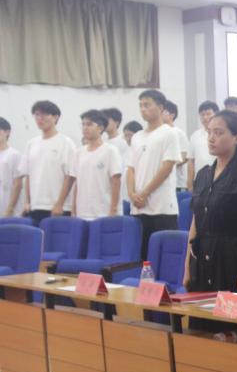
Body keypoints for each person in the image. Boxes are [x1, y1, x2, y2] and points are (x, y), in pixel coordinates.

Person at [183, 110, 237, 295]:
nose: (211, 138)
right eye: (209, 132)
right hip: (201, 260)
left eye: (219, 133)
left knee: (228, 311)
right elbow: (195, 223)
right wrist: (187, 267)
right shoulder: (203, 174)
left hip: (230, 260)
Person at [126, 90, 180, 257]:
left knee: (164, 256)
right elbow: (131, 169)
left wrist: (144, 193)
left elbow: (167, 167)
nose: (143, 109)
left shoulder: (169, 132)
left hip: (161, 207)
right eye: (141, 105)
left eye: (147, 105)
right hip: (139, 207)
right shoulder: (137, 137)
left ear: (161, 107)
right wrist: (132, 194)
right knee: (143, 258)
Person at [22, 100, 76, 225]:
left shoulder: (66, 143)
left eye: (44, 114)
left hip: (58, 208)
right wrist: (27, 202)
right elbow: (28, 175)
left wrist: (59, 203)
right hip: (35, 206)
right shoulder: (31, 143)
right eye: (37, 114)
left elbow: (70, 176)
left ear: (56, 117)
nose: (40, 118)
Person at [71, 109, 122, 220]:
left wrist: (113, 210)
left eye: (89, 124)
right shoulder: (78, 153)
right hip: (82, 213)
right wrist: (73, 209)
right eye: (83, 124)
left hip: (104, 213)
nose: (85, 128)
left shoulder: (110, 151)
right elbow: (77, 183)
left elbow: (116, 181)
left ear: (100, 128)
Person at [187, 101, 218, 191]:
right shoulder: (195, 135)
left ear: (216, 114)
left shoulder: (221, 133)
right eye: (202, 115)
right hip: (199, 182)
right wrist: (189, 184)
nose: (205, 117)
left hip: (219, 179)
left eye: (208, 114)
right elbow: (191, 162)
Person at [0, 118, 25, 217]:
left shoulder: (14, 155)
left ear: (7, 132)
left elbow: (17, 184)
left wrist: (10, 209)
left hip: (10, 210)